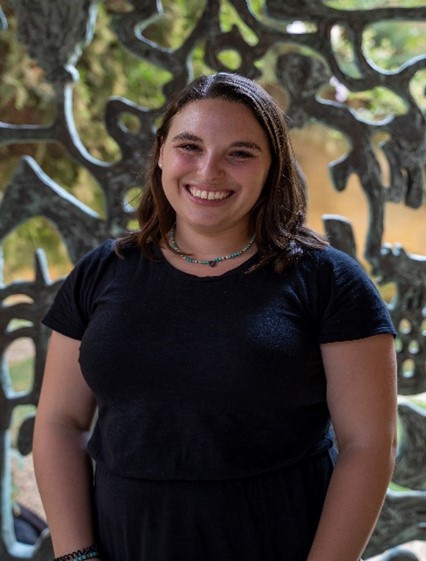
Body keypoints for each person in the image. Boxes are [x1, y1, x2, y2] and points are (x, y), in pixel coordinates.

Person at [33, 72, 397, 561]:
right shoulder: (102, 271)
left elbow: (367, 446)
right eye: (190, 146)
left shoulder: (329, 282)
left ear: (273, 167)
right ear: (162, 153)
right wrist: (76, 556)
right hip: (126, 545)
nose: (209, 171)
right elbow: (60, 421)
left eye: (240, 153)